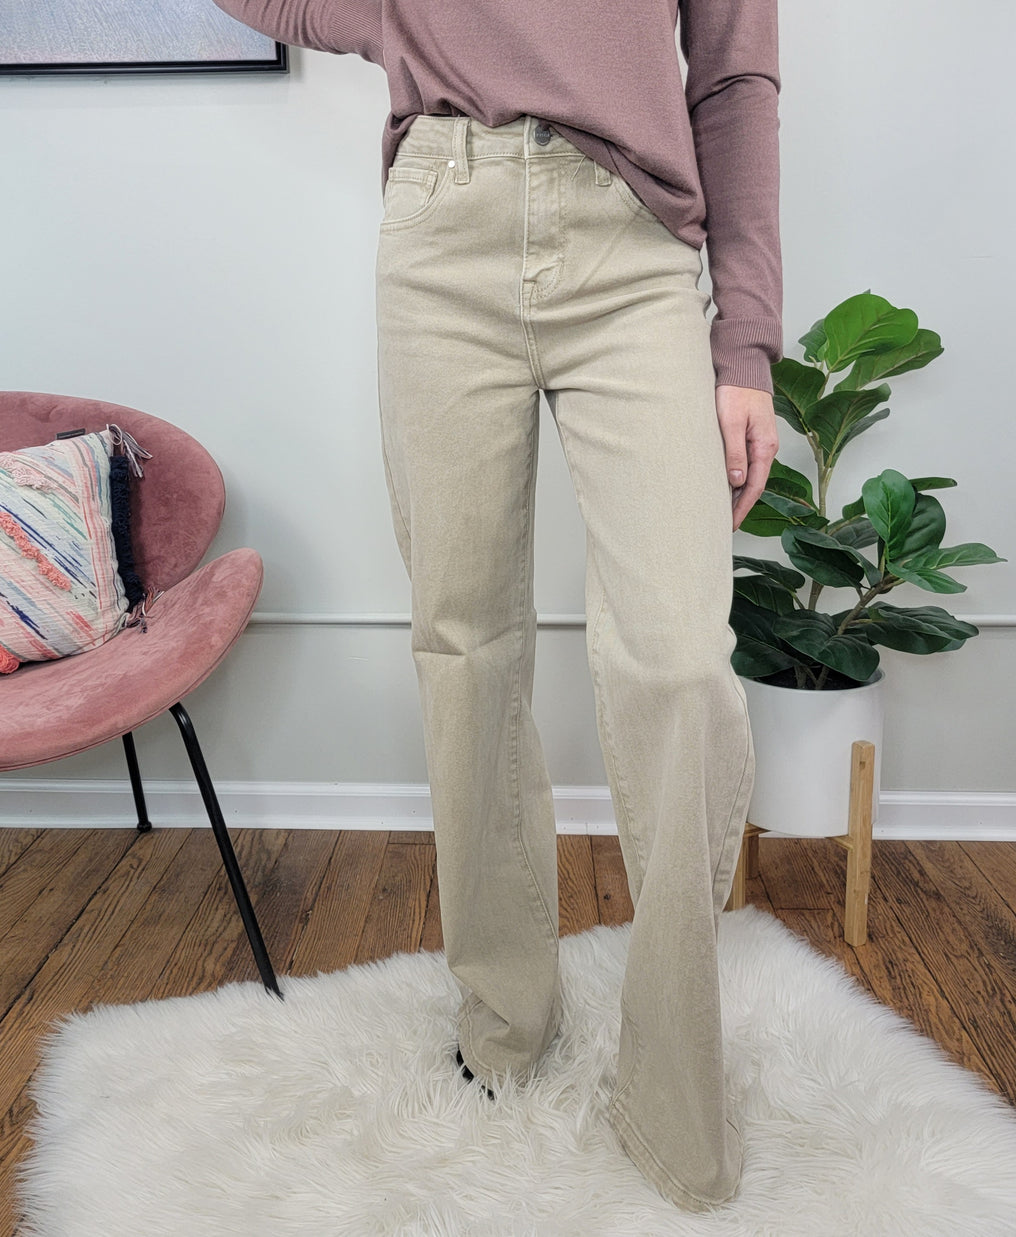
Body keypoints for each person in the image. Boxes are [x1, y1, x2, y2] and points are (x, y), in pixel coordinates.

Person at [211, 0, 783, 1214]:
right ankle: (506, 1012)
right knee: (464, 644)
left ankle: (676, 1085)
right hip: (444, 221)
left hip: (633, 245)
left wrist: (746, 347)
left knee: (682, 665)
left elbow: (734, 81)